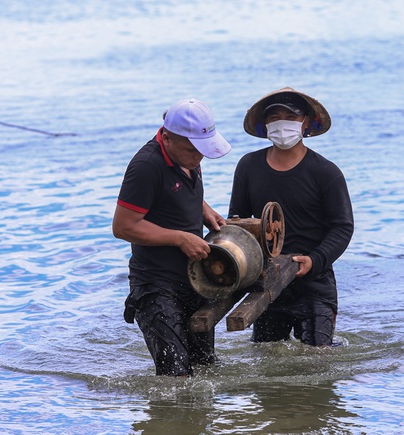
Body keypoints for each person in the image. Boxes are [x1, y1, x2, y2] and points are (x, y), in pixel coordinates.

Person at [112, 98, 231, 376]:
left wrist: (203, 208)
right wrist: (180, 238)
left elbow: (172, 191)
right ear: (166, 137)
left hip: (194, 280)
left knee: (204, 369)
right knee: (175, 377)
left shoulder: (188, 154)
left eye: (201, 150)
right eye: (192, 150)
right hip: (156, 286)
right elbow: (123, 227)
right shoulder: (146, 166)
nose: (198, 157)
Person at [228, 87, 354, 347]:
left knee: (318, 360)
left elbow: (342, 228)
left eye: (290, 116)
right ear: (265, 125)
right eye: (274, 117)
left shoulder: (326, 173)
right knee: (267, 360)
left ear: (306, 122)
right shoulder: (248, 166)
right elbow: (237, 223)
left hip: (314, 284)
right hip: (267, 282)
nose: (281, 123)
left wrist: (314, 260)